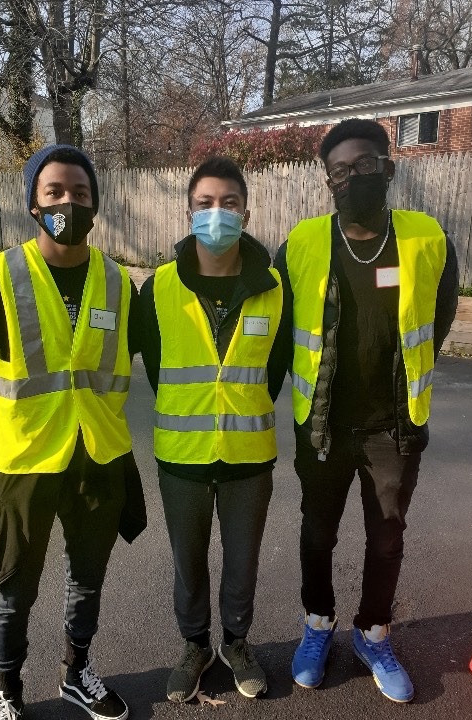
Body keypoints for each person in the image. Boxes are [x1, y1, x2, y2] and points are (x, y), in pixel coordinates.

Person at [274, 119, 459, 703]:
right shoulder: (300, 244)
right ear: (328, 180)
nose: (354, 177)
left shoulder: (428, 238)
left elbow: (441, 316)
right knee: (317, 534)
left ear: (390, 168)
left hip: (393, 427)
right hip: (323, 425)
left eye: (366, 165)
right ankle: (318, 625)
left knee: (386, 539)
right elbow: (281, 330)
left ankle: (373, 634)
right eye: (341, 170)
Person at [0, 144, 145, 720]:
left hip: (97, 455)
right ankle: (6, 692)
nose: (69, 201)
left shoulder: (119, 285)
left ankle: (76, 672)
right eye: (55, 192)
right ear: (33, 205)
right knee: (13, 588)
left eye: (80, 193)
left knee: (86, 580)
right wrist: (16, 419)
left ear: (96, 205)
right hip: (22, 461)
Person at [140, 156, 288, 703]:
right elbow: (155, 367)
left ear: (246, 214)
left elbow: (274, 370)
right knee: (188, 561)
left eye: (228, 203)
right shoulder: (156, 288)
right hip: (181, 454)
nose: (217, 214)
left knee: (242, 560)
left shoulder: (274, 290)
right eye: (205, 204)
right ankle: (195, 645)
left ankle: (237, 643)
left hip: (250, 455)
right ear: (189, 212)